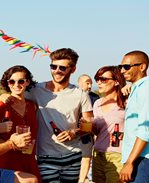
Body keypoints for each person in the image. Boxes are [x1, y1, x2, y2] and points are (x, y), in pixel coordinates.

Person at [24, 48, 94, 183]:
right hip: (45, 157)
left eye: (62, 67)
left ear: (73, 69)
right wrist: (4, 97)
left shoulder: (80, 94)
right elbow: (14, 97)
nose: (57, 70)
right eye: (53, 66)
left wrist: (74, 132)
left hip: (73, 157)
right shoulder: (36, 90)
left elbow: (89, 125)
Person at [118, 50, 149, 183]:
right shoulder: (138, 89)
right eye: (121, 67)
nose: (122, 71)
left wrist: (129, 163)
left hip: (144, 157)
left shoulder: (148, 88)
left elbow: (146, 130)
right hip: (136, 156)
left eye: (126, 67)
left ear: (142, 67)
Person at [0, 65, 41, 182]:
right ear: (8, 84)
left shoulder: (32, 105)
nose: (16, 85)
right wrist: (12, 144)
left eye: (21, 81)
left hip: (30, 161)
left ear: (27, 82)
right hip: (8, 163)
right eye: (12, 81)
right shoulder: (1, 107)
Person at [91, 66, 127, 183]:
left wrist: (134, 88)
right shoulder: (97, 103)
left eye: (104, 79)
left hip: (118, 155)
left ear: (116, 81)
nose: (99, 82)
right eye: (97, 79)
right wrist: (90, 127)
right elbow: (98, 132)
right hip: (98, 154)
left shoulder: (127, 101)